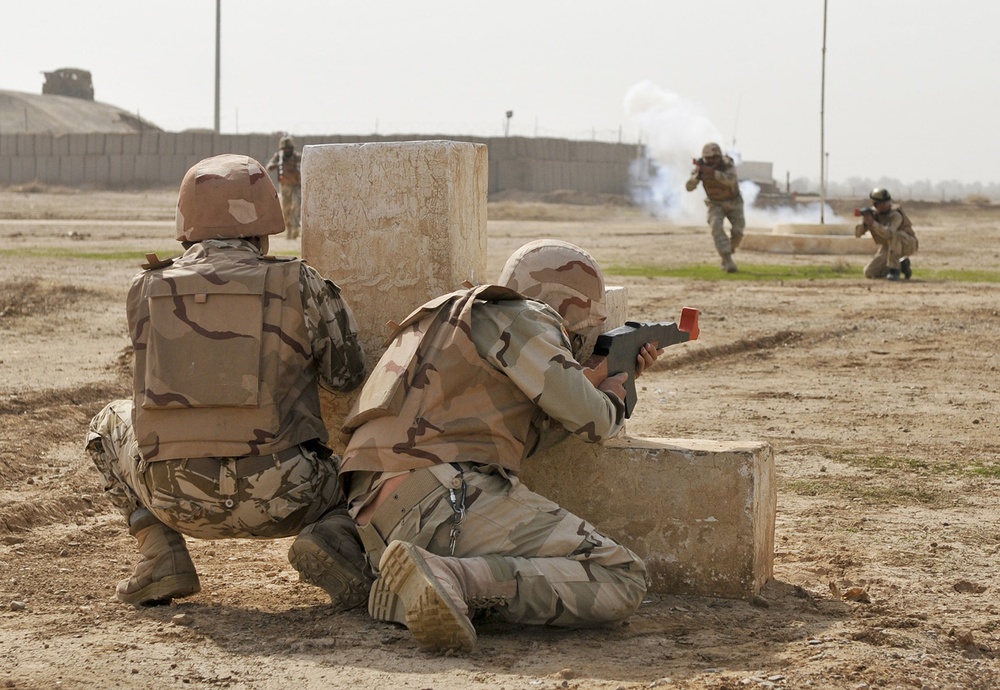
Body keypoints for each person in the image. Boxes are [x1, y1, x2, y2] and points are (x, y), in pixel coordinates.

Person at [338, 239, 661, 653]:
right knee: (621, 575)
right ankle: (456, 579)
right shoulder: (522, 318)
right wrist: (615, 393)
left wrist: (585, 382)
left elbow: (513, 436)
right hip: (440, 497)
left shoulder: (449, 317)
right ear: (573, 309)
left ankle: (365, 558)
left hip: (368, 510)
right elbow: (596, 422)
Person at [85, 154, 371, 610]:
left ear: (186, 224)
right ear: (265, 221)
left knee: (105, 423)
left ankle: (162, 555)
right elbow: (346, 378)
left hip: (174, 498)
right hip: (289, 497)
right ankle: (333, 535)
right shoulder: (300, 282)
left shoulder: (145, 288)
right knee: (381, 452)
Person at [685, 142, 745, 273]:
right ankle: (727, 260)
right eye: (708, 158)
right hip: (715, 203)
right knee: (716, 227)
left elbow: (730, 180)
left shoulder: (727, 164)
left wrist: (713, 173)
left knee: (738, 232)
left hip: (734, 201)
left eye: (714, 158)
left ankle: (729, 249)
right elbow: (689, 187)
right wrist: (697, 176)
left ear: (719, 156)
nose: (711, 161)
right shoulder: (700, 167)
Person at [855, 187, 918, 280]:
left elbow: (890, 233)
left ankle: (894, 270)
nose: (885, 205)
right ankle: (902, 265)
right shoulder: (874, 215)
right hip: (889, 247)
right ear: (875, 205)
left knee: (896, 235)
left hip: (907, 244)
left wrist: (873, 223)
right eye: (881, 203)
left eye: (886, 202)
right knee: (869, 272)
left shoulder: (896, 215)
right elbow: (858, 234)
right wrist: (865, 223)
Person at [266, 135, 302, 238]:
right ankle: (289, 228)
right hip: (285, 186)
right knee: (286, 209)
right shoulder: (279, 157)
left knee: (296, 206)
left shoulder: (297, 157)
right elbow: (269, 167)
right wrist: (277, 164)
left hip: (296, 186)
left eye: (289, 148)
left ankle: (295, 228)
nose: (287, 150)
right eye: (285, 148)